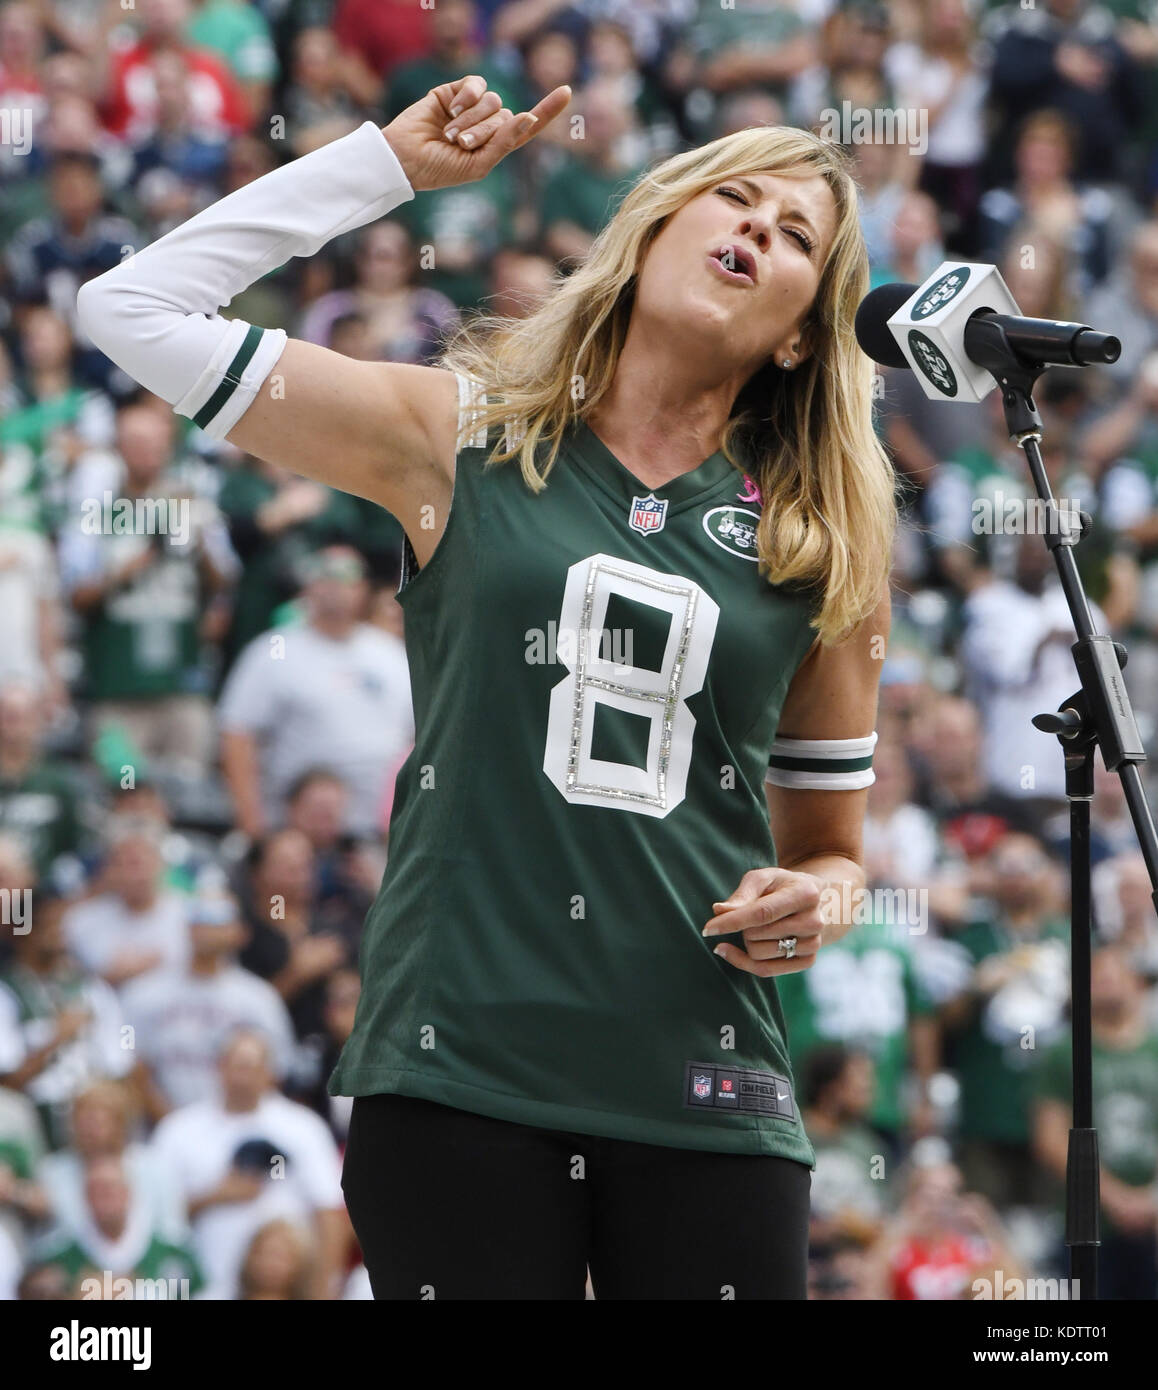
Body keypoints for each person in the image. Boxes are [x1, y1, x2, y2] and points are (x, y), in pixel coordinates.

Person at [77, 74, 895, 1300]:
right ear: (652, 227)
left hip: (706, 1079)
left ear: (797, 331)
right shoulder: (456, 436)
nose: (755, 233)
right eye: (733, 199)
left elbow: (834, 848)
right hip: (460, 1067)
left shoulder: (819, 541)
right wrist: (381, 169)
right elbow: (129, 306)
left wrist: (821, 901)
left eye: (794, 239)